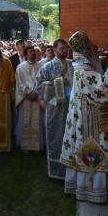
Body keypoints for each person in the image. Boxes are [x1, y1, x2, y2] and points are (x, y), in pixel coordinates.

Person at [59, 31, 108, 203]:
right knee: (93, 148)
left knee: (85, 147)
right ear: (85, 48)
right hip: (89, 120)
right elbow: (103, 90)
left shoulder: (79, 66)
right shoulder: (84, 71)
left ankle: (84, 186)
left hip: (80, 117)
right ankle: (91, 190)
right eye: (90, 45)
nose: (92, 48)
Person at [35, 39, 73, 180]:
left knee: (70, 136)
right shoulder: (48, 67)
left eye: (66, 48)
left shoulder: (72, 65)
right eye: (62, 48)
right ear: (55, 50)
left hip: (71, 108)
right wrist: (58, 85)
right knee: (56, 137)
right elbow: (38, 85)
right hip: (54, 108)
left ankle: (71, 170)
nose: (65, 50)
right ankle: (56, 170)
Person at [14, 45, 43, 151]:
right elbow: (19, 82)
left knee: (37, 121)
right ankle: (25, 145)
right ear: (26, 54)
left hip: (37, 96)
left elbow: (42, 81)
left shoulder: (41, 66)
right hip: (25, 97)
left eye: (33, 51)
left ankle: (36, 145)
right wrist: (28, 92)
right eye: (30, 52)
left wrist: (35, 92)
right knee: (25, 121)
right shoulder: (20, 67)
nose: (33, 53)